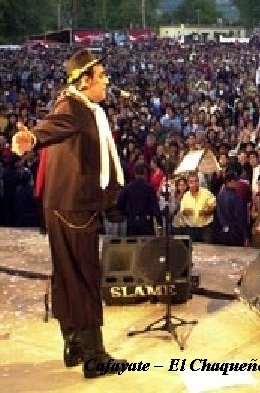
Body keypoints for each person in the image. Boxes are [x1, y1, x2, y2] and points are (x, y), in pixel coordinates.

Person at [11, 48, 127, 378]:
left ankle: (74, 344)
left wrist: (35, 135)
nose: (106, 80)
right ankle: (95, 356)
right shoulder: (73, 107)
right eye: (101, 75)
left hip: (61, 205)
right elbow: (50, 127)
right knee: (85, 278)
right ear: (85, 79)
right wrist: (31, 137)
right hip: (75, 208)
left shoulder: (82, 107)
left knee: (66, 276)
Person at [117, 162, 161, 236]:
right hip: (146, 223)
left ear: (134, 173)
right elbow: (155, 207)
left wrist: (126, 213)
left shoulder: (128, 187)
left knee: (132, 246)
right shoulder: (149, 188)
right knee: (147, 246)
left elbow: (120, 203)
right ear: (145, 173)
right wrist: (159, 222)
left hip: (132, 222)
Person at [178, 172, 216, 243]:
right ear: (188, 184)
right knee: (192, 249)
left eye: (196, 181)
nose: (194, 184)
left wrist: (206, 212)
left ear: (198, 182)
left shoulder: (206, 193)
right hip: (191, 229)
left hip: (205, 228)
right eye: (191, 182)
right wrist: (186, 212)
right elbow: (182, 211)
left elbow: (213, 206)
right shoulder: (186, 196)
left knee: (207, 249)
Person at [213, 170, 249, 246]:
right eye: (236, 180)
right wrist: (245, 235)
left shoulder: (220, 195)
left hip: (222, 230)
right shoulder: (236, 197)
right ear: (230, 182)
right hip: (235, 232)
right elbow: (240, 217)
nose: (237, 183)